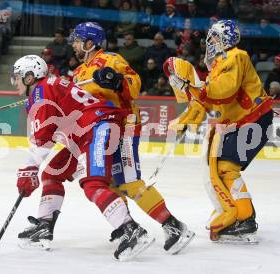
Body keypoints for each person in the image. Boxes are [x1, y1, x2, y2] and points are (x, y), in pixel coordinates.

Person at [12, 55, 154, 261]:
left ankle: (130, 229)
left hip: (98, 127)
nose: (14, 82)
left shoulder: (42, 91)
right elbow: (49, 133)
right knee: (52, 174)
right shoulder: (46, 88)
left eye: (17, 77)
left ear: (29, 77)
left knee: (93, 184)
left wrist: (28, 169)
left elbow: (42, 138)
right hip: (85, 134)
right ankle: (44, 225)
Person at [68, 22, 195, 254]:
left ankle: (174, 226)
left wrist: (116, 81)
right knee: (112, 183)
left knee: (128, 181)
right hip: (101, 130)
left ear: (89, 43)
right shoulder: (77, 73)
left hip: (125, 124)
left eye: (77, 40)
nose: (73, 44)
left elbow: (134, 86)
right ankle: (127, 227)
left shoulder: (111, 59)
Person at [163, 20, 273, 244]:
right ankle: (239, 215)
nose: (209, 41)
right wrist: (188, 108)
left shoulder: (236, 56)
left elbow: (225, 91)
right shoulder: (218, 65)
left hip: (255, 119)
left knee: (226, 167)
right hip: (244, 121)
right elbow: (210, 101)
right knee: (222, 167)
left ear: (225, 39)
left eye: (213, 37)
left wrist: (196, 86)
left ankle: (245, 219)